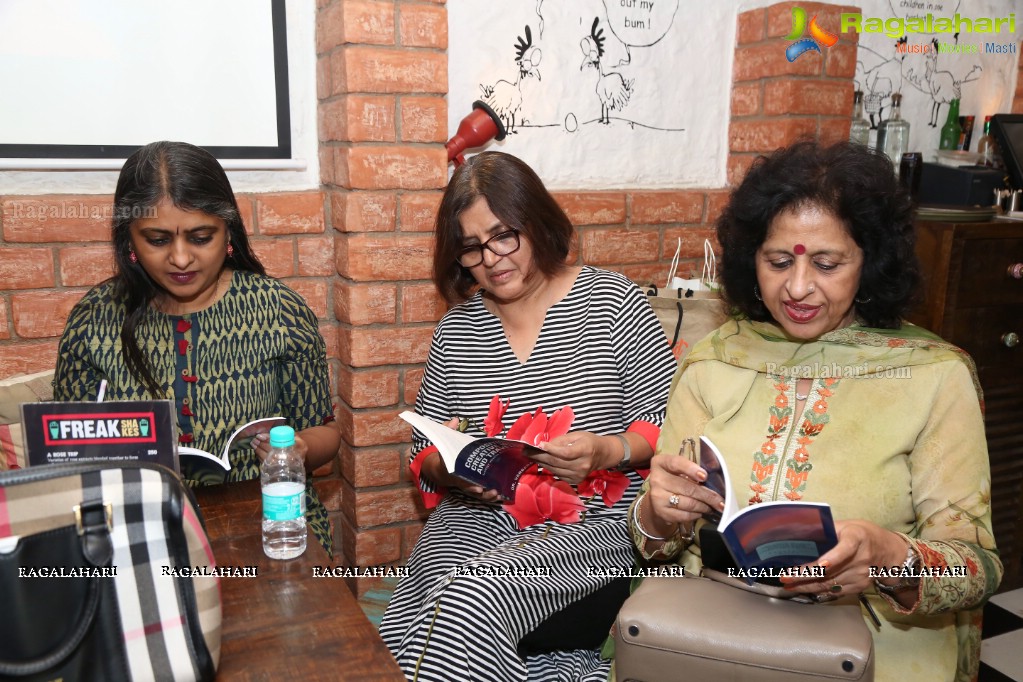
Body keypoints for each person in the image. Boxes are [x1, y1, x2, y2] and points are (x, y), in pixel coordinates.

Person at [630, 141, 1001, 681]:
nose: (798, 287)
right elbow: (649, 539)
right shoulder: (714, 361)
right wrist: (658, 514)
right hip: (709, 637)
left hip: (867, 649)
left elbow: (980, 568)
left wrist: (887, 560)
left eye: (827, 264)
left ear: (869, 261)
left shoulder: (933, 377)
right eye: (778, 261)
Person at [379, 151, 676, 681]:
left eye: (504, 235)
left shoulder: (612, 303)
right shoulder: (458, 329)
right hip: (473, 517)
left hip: (593, 526)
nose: (492, 258)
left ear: (537, 220)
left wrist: (606, 452)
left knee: (469, 600)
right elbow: (421, 450)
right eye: (471, 247)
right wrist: (442, 469)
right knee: (425, 600)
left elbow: (665, 424)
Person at [53, 140, 340, 553]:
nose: (181, 258)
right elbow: (71, 458)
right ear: (128, 240)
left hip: (271, 529)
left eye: (200, 237)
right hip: (143, 537)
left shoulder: (278, 310)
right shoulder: (94, 320)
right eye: (157, 240)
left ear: (228, 234)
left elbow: (327, 435)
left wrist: (298, 449)